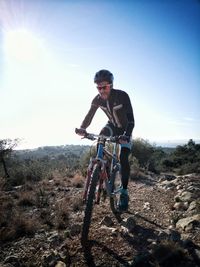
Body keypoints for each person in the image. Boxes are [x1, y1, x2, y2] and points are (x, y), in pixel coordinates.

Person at [76, 69, 135, 211]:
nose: (101, 90)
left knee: (123, 157)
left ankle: (124, 193)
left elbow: (131, 120)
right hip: (112, 127)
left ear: (111, 85)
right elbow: (89, 115)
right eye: (98, 87)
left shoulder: (122, 96)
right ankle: (102, 173)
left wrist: (127, 135)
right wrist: (82, 128)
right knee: (101, 137)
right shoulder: (97, 99)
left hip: (125, 130)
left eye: (104, 87)